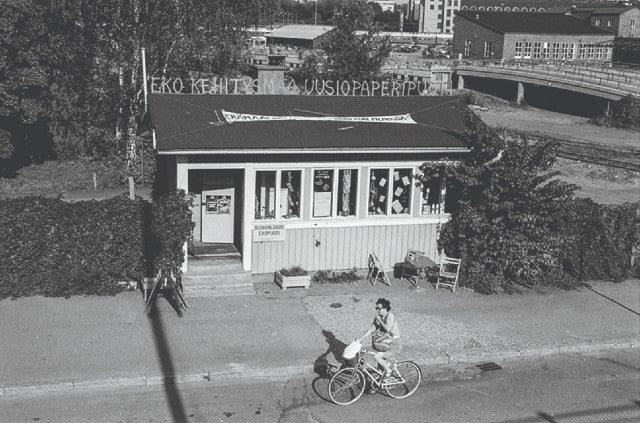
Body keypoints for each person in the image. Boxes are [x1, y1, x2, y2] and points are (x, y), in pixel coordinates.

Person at [358, 298, 401, 382]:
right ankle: (379, 383)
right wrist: (361, 338)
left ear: (385, 309)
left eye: (379, 309)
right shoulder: (379, 317)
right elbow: (372, 328)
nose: (377, 310)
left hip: (394, 345)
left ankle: (388, 371)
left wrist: (379, 320)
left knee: (377, 356)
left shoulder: (390, 316)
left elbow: (388, 328)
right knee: (380, 367)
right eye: (376, 308)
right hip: (384, 344)